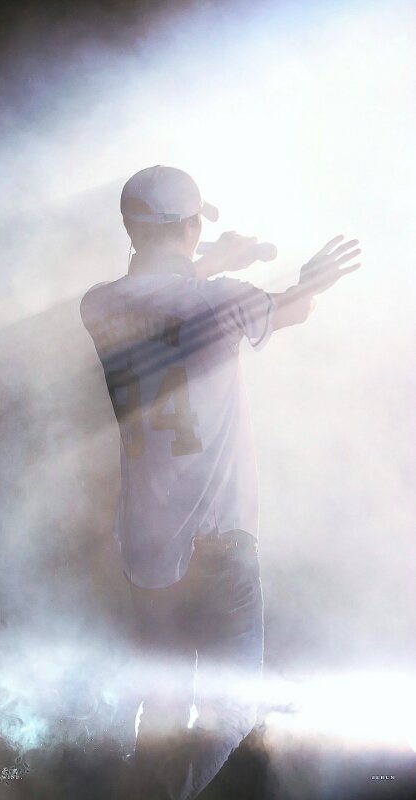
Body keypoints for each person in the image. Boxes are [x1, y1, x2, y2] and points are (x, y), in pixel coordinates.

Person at [80, 165, 361, 800]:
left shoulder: (98, 304)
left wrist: (210, 262)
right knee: (233, 708)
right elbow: (295, 309)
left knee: (160, 703)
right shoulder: (220, 301)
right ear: (188, 228)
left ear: (129, 227)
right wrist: (308, 280)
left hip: (145, 547)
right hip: (218, 541)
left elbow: (157, 297)